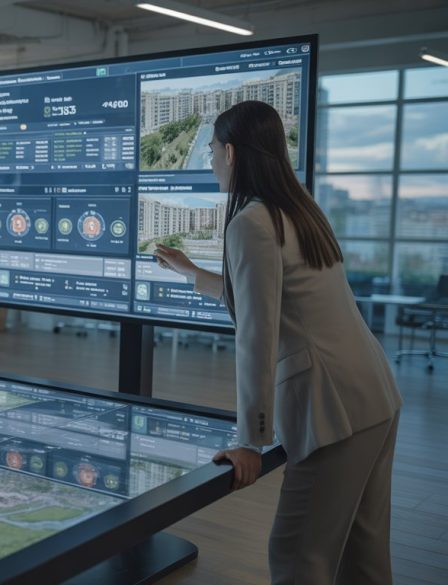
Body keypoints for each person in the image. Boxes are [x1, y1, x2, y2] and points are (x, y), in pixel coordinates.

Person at [154, 100, 402, 585]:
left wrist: (251, 440)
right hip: (374, 396)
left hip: (332, 409)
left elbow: (257, 332)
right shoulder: (298, 208)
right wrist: (191, 272)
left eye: (211, 149)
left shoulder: (249, 222)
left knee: (296, 556)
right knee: (363, 559)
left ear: (231, 153)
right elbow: (274, 298)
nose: (209, 159)